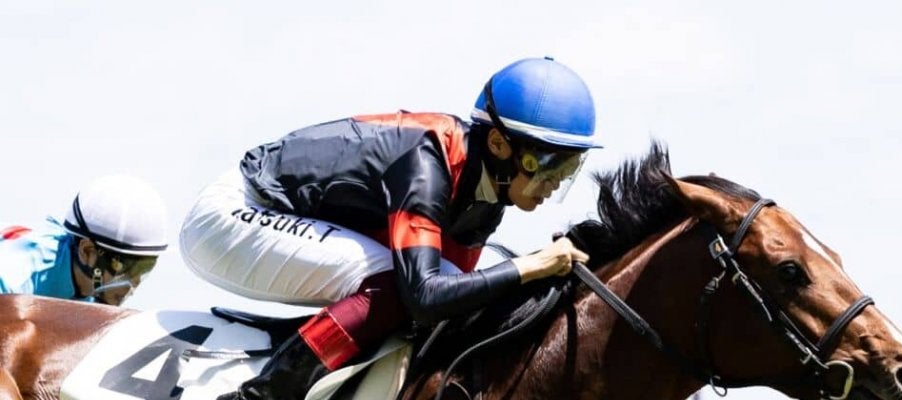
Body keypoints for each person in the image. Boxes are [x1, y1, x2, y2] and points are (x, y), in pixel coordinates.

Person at [179, 57, 599, 399]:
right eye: (547, 163)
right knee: (399, 285)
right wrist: (530, 266)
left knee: (446, 291)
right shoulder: (427, 163)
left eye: (568, 166)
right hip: (234, 213)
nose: (555, 181)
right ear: (498, 145)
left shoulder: (487, 198)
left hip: (289, 219)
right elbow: (423, 296)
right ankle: (262, 396)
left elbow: (450, 300)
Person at [0, 174, 169, 306]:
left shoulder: (92, 279)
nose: (135, 282)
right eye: (124, 267)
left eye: (145, 268)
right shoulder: (13, 283)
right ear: (87, 251)